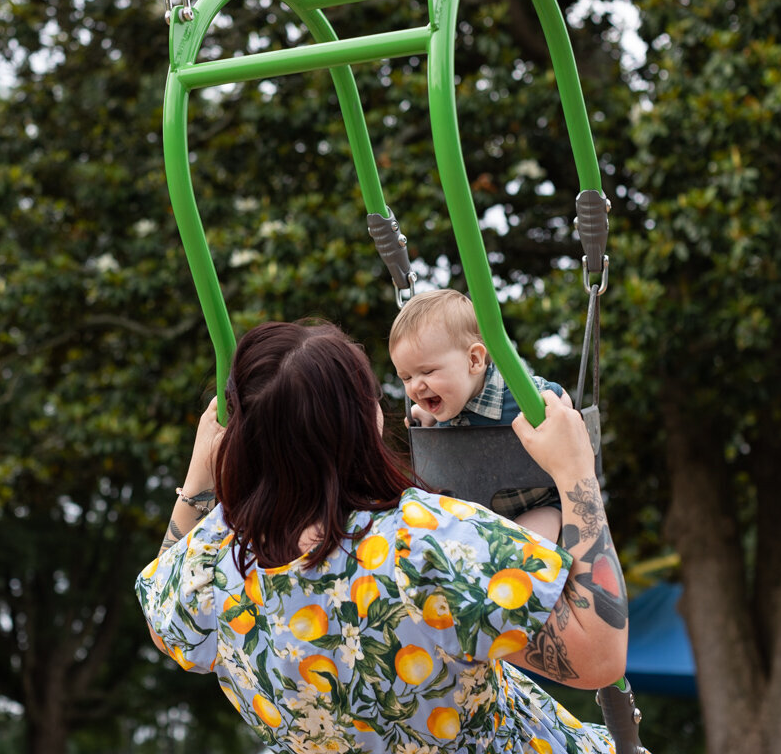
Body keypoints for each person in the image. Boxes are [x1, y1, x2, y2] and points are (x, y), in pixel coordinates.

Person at [135, 320, 628, 754]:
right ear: (361, 421)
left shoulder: (216, 562)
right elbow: (599, 657)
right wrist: (575, 473)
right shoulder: (425, 542)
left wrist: (200, 476)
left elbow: (164, 626)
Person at [389, 289, 569, 542]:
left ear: (474, 360)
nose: (415, 386)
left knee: (531, 541)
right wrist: (427, 415)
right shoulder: (446, 405)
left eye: (427, 372)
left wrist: (562, 414)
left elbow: (557, 397)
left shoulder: (518, 394)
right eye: (406, 378)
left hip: (536, 505)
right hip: (477, 518)